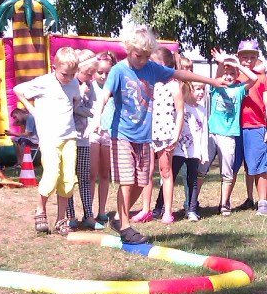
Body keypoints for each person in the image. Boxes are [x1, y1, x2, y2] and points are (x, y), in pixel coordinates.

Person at [90, 25, 223, 246]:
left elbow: (180, 74)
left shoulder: (151, 68)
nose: (142, 61)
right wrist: (97, 118)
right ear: (128, 49)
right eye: (138, 56)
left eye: (146, 56)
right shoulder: (118, 71)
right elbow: (105, 95)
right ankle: (125, 228)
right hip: (122, 134)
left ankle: (119, 218)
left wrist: (212, 81)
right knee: (127, 181)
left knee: (141, 181)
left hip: (144, 137)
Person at [14, 47, 92, 237]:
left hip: (69, 137)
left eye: (72, 74)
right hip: (50, 137)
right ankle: (40, 210)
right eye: (65, 74)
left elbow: (75, 101)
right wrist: (32, 110)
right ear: (54, 67)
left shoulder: (73, 83)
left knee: (68, 180)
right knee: (51, 174)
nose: (69, 78)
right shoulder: (44, 82)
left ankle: (60, 219)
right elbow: (18, 90)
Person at [131, 46, 184, 225]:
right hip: (147, 133)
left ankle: (168, 212)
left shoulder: (173, 84)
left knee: (166, 171)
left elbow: (180, 112)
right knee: (146, 172)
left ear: (163, 65)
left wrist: (176, 135)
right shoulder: (148, 83)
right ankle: (145, 209)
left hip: (165, 133)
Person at [208, 52, 257, 216]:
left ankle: (224, 204)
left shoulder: (239, 89)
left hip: (229, 135)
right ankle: (193, 204)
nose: (228, 76)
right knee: (201, 170)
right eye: (225, 73)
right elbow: (217, 76)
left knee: (227, 173)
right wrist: (221, 63)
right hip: (212, 133)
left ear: (237, 75)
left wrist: (238, 65)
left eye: (232, 73)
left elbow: (254, 79)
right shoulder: (216, 86)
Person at [237, 39, 267, 215]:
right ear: (238, 57)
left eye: (252, 57)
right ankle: (249, 198)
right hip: (237, 128)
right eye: (244, 57)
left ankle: (263, 202)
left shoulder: (262, 78)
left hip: (257, 127)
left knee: (260, 166)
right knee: (248, 167)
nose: (248, 60)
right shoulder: (234, 76)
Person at [66, 49, 100, 230]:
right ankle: (70, 216)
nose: (91, 77)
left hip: (84, 138)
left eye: (93, 73)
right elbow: (69, 107)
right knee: (68, 178)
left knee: (85, 177)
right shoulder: (69, 83)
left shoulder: (90, 85)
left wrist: (90, 112)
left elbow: (93, 107)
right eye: (88, 73)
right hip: (69, 137)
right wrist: (80, 95)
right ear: (78, 69)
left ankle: (89, 215)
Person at [172, 81, 210, 221]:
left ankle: (192, 209)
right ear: (189, 89)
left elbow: (204, 132)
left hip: (194, 152)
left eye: (203, 89)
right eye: (198, 89)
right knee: (170, 177)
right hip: (178, 150)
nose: (201, 92)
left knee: (192, 180)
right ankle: (160, 207)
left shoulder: (202, 110)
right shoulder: (181, 106)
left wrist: (204, 152)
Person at [89, 50, 116, 226]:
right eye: (100, 72)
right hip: (92, 132)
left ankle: (102, 210)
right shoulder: (89, 86)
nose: (103, 76)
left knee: (105, 173)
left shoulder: (113, 88)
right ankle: (89, 210)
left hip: (108, 133)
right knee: (92, 173)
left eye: (107, 73)